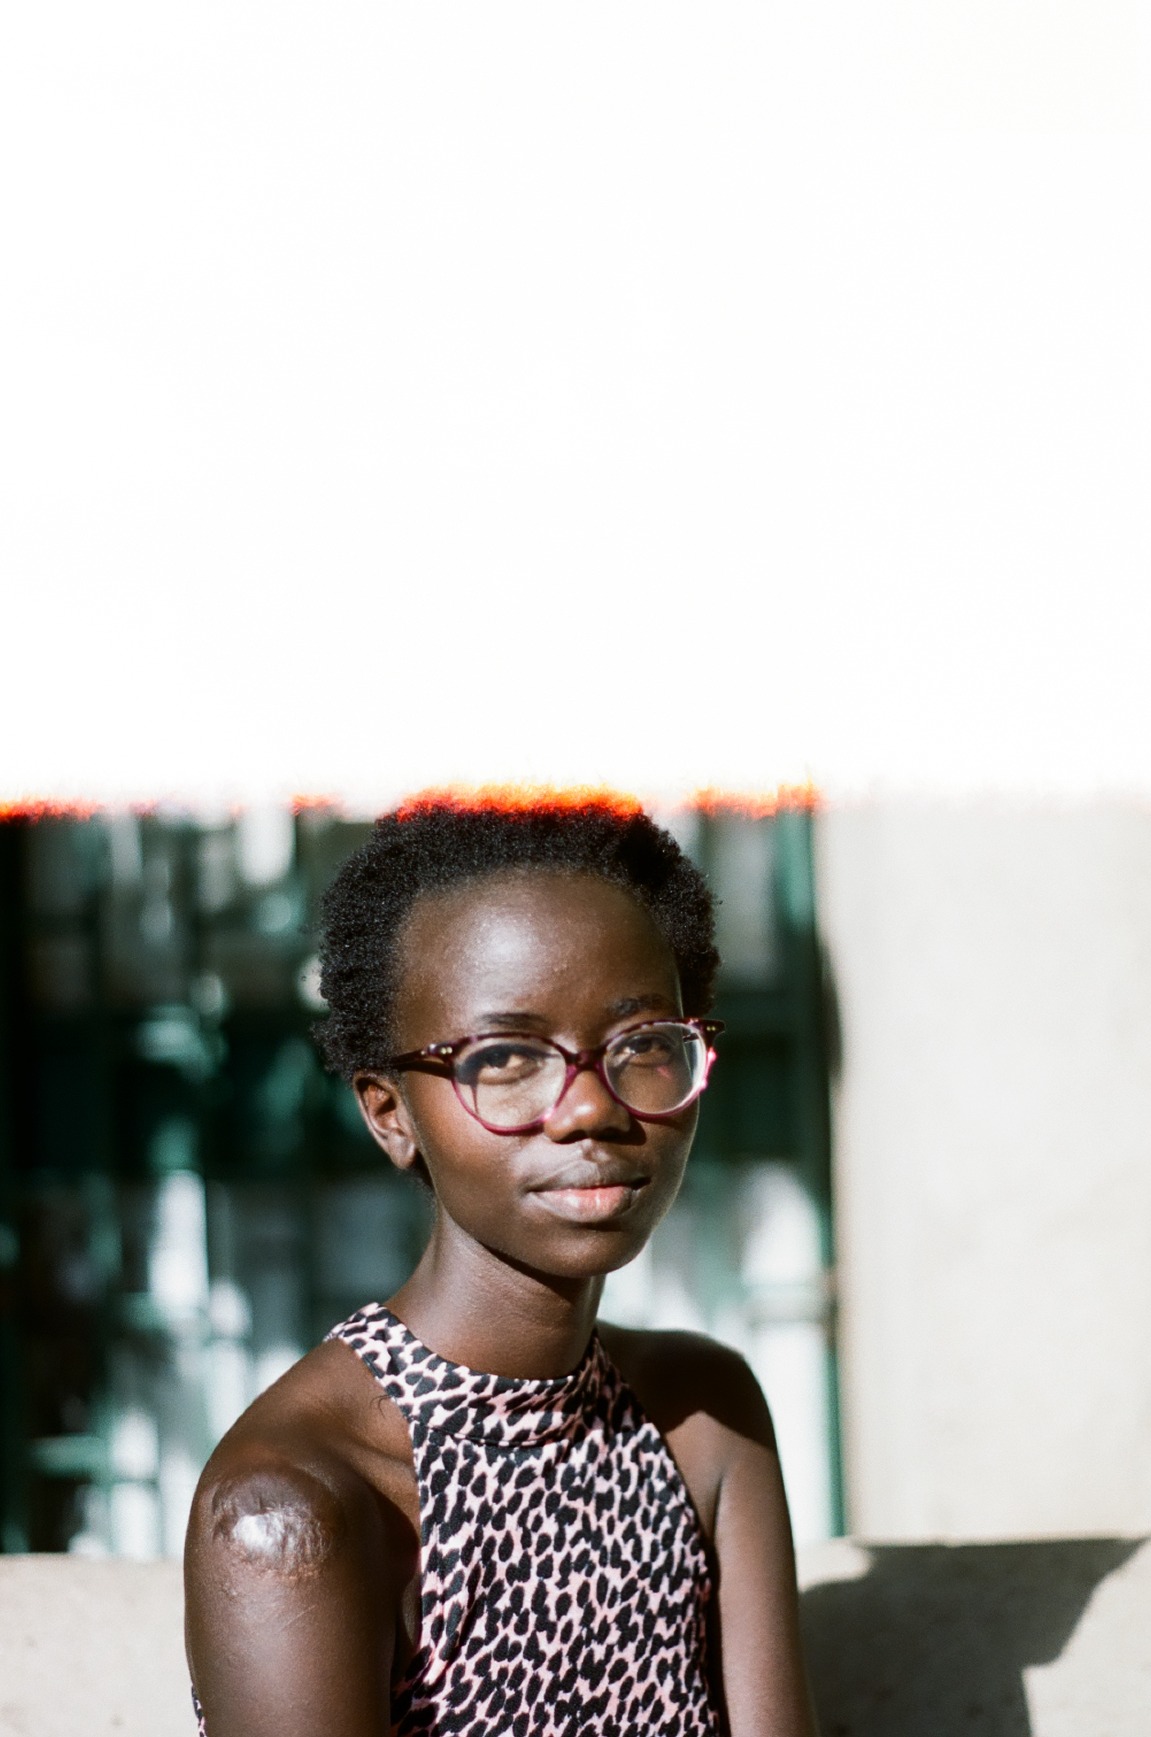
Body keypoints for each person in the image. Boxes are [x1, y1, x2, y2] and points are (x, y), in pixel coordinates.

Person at [184, 793, 819, 1737]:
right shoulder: (301, 1501)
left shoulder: (705, 1418)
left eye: (642, 1045)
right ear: (390, 1113)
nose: (589, 1109)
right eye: (509, 1057)